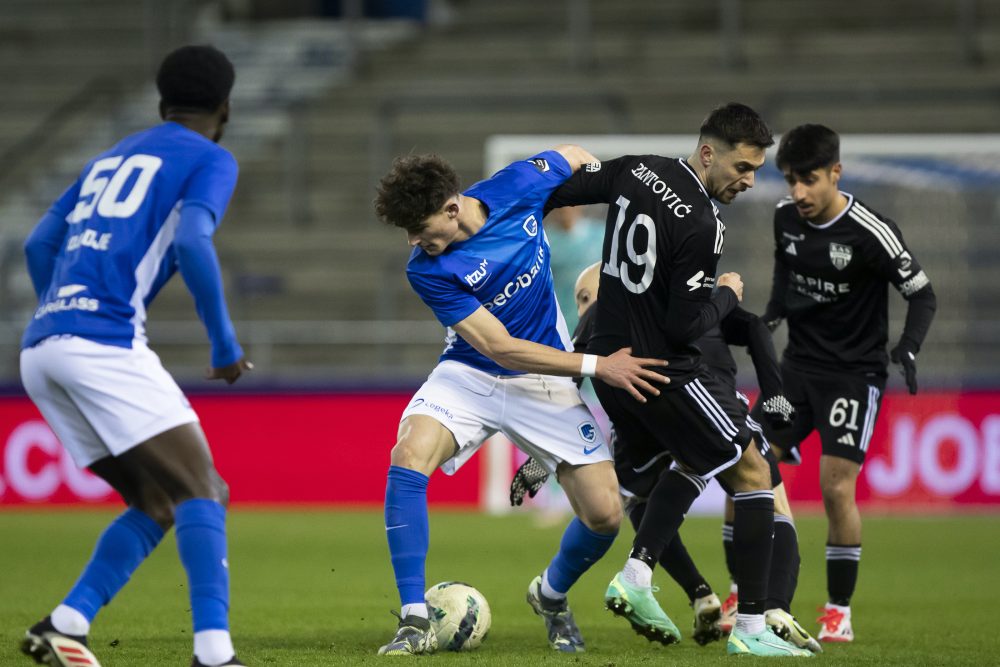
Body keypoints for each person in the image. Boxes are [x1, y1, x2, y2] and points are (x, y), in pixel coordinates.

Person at [372, 147, 669, 656]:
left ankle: (549, 594)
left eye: (418, 227)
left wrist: (620, 204)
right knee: (407, 455)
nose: (414, 242)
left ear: (451, 208)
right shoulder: (426, 268)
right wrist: (598, 366)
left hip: (544, 380)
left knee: (605, 516)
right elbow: (498, 347)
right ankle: (413, 617)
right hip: (471, 373)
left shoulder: (518, 186)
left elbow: (576, 157)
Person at [545, 102, 811, 657]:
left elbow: (561, 191)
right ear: (709, 153)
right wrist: (727, 296)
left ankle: (642, 578)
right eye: (742, 167)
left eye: (757, 169)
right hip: (662, 372)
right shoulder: (702, 221)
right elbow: (684, 325)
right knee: (753, 469)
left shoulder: (636, 168)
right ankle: (752, 628)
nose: (749, 181)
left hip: (610, 369)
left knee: (674, 468)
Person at [18, 45, 252, 667]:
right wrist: (225, 345)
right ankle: (213, 653)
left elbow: (39, 242)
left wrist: (61, 313)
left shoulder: (110, 155)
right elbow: (196, 240)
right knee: (206, 488)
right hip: (102, 343)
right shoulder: (210, 158)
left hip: (42, 347)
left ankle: (64, 625)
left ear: (160, 103)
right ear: (225, 108)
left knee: (158, 499)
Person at [512, 261, 821, 654]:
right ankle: (765, 612)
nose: (586, 304)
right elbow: (755, 327)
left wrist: (547, 455)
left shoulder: (598, 323)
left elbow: (569, 382)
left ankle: (688, 590)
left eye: (589, 296)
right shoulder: (680, 300)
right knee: (762, 485)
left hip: (637, 414)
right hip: (697, 394)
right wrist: (772, 387)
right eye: (582, 299)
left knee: (643, 494)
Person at [752, 123, 937, 643]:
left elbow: (922, 295)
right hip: (796, 370)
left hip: (853, 376)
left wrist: (908, 346)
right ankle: (746, 595)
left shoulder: (872, 231)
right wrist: (769, 317)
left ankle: (838, 611)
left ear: (836, 172)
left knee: (835, 487)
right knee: (745, 461)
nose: (799, 193)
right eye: (790, 180)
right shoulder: (785, 217)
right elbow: (785, 273)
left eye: (809, 179)